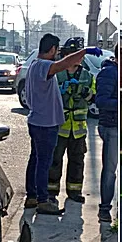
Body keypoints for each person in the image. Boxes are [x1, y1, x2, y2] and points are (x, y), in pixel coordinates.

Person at [24, 33, 102, 215]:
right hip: (46, 124)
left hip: (38, 121)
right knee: (45, 163)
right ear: (52, 49)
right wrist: (85, 50)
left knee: (36, 160)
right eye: (57, 50)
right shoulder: (44, 65)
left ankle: (32, 195)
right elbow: (63, 65)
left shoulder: (34, 66)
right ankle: (43, 200)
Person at [48, 37, 96, 204]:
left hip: (79, 128)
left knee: (77, 161)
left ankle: (74, 192)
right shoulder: (56, 75)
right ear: (66, 55)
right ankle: (51, 192)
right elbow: (49, 98)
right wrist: (61, 91)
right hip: (59, 127)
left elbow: (93, 98)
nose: (78, 57)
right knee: (55, 160)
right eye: (74, 54)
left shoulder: (88, 76)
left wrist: (83, 90)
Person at [95, 45, 119, 223]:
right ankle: (104, 209)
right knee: (110, 171)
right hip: (110, 126)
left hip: (116, 126)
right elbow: (101, 101)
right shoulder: (109, 73)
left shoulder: (116, 73)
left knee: (112, 170)